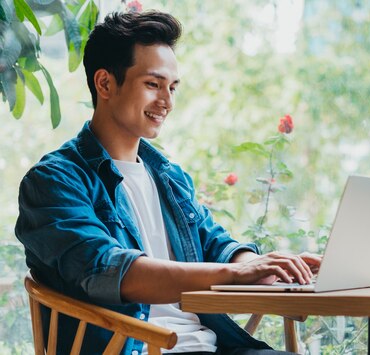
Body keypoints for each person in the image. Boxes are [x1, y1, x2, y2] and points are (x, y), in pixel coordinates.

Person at [15, 10, 320, 355]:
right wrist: (236, 275)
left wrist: (273, 267)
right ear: (105, 84)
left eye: (172, 87)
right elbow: (113, 272)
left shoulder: (168, 177)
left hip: (214, 346)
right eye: (153, 84)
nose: (167, 102)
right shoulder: (54, 181)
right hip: (139, 348)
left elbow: (218, 247)